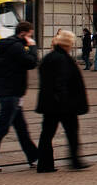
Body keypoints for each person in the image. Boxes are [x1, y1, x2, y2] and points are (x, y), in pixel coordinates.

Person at [0, 20, 40, 172]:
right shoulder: (17, 47)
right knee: (2, 127)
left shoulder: (5, 45)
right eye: (30, 35)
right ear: (24, 33)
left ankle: (34, 157)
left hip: (10, 92)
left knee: (21, 128)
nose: (31, 38)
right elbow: (32, 62)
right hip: (11, 92)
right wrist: (32, 46)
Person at [35, 30, 90, 172]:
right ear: (67, 44)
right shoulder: (62, 59)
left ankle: (45, 164)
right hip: (62, 105)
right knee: (71, 132)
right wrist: (65, 101)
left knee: (47, 134)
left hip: (49, 103)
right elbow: (61, 82)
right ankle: (75, 161)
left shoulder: (49, 57)